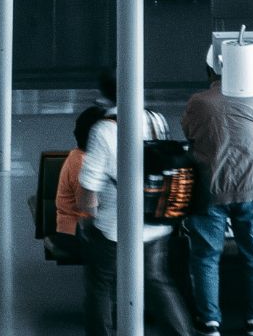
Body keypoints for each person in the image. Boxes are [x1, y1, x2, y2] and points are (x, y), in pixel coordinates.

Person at [77, 86, 194, 336]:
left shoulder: (103, 130)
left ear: (105, 95)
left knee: (101, 285)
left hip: (113, 225)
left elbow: (89, 184)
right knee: (155, 280)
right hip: (155, 220)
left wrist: (87, 218)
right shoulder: (156, 119)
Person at [181, 46, 253, 336]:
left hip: (210, 188)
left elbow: (189, 133)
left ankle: (210, 321)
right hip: (252, 187)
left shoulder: (199, 102)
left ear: (209, 71)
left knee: (206, 256)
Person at [52, 106, 109, 261]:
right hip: (74, 232)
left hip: (78, 227)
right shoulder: (82, 163)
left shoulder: (82, 157)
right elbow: (89, 209)